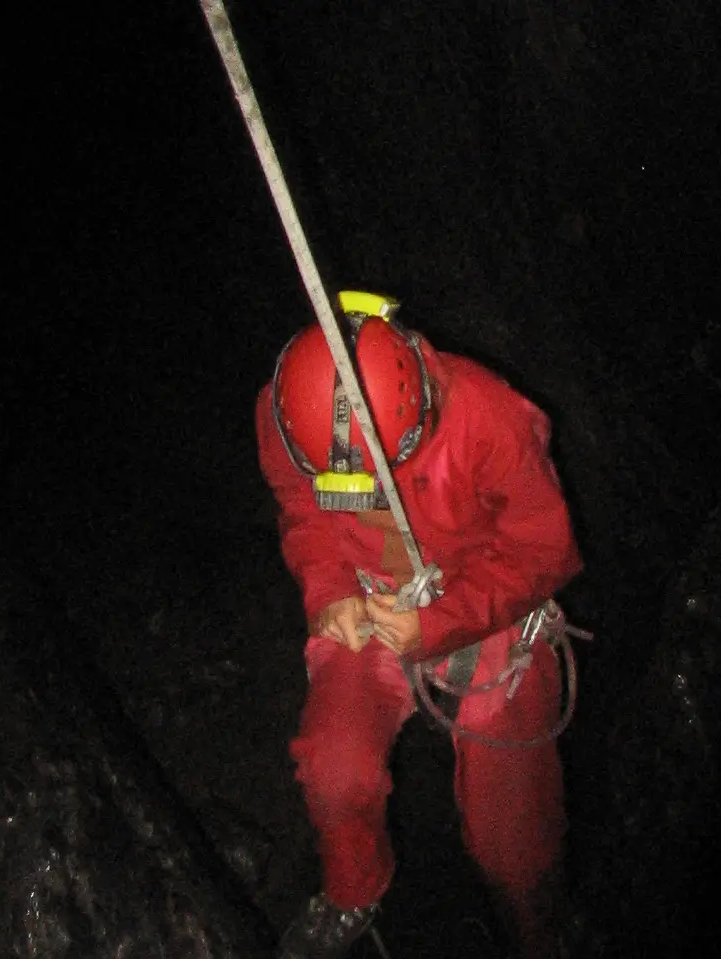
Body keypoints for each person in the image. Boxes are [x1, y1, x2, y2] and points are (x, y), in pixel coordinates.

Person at [255, 291, 582, 959]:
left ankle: (534, 928)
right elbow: (303, 510)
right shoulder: (287, 413)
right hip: (367, 596)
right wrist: (330, 592)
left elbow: (545, 550)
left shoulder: (491, 419)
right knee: (335, 767)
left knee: (513, 834)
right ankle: (354, 888)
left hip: (484, 602)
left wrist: (440, 621)